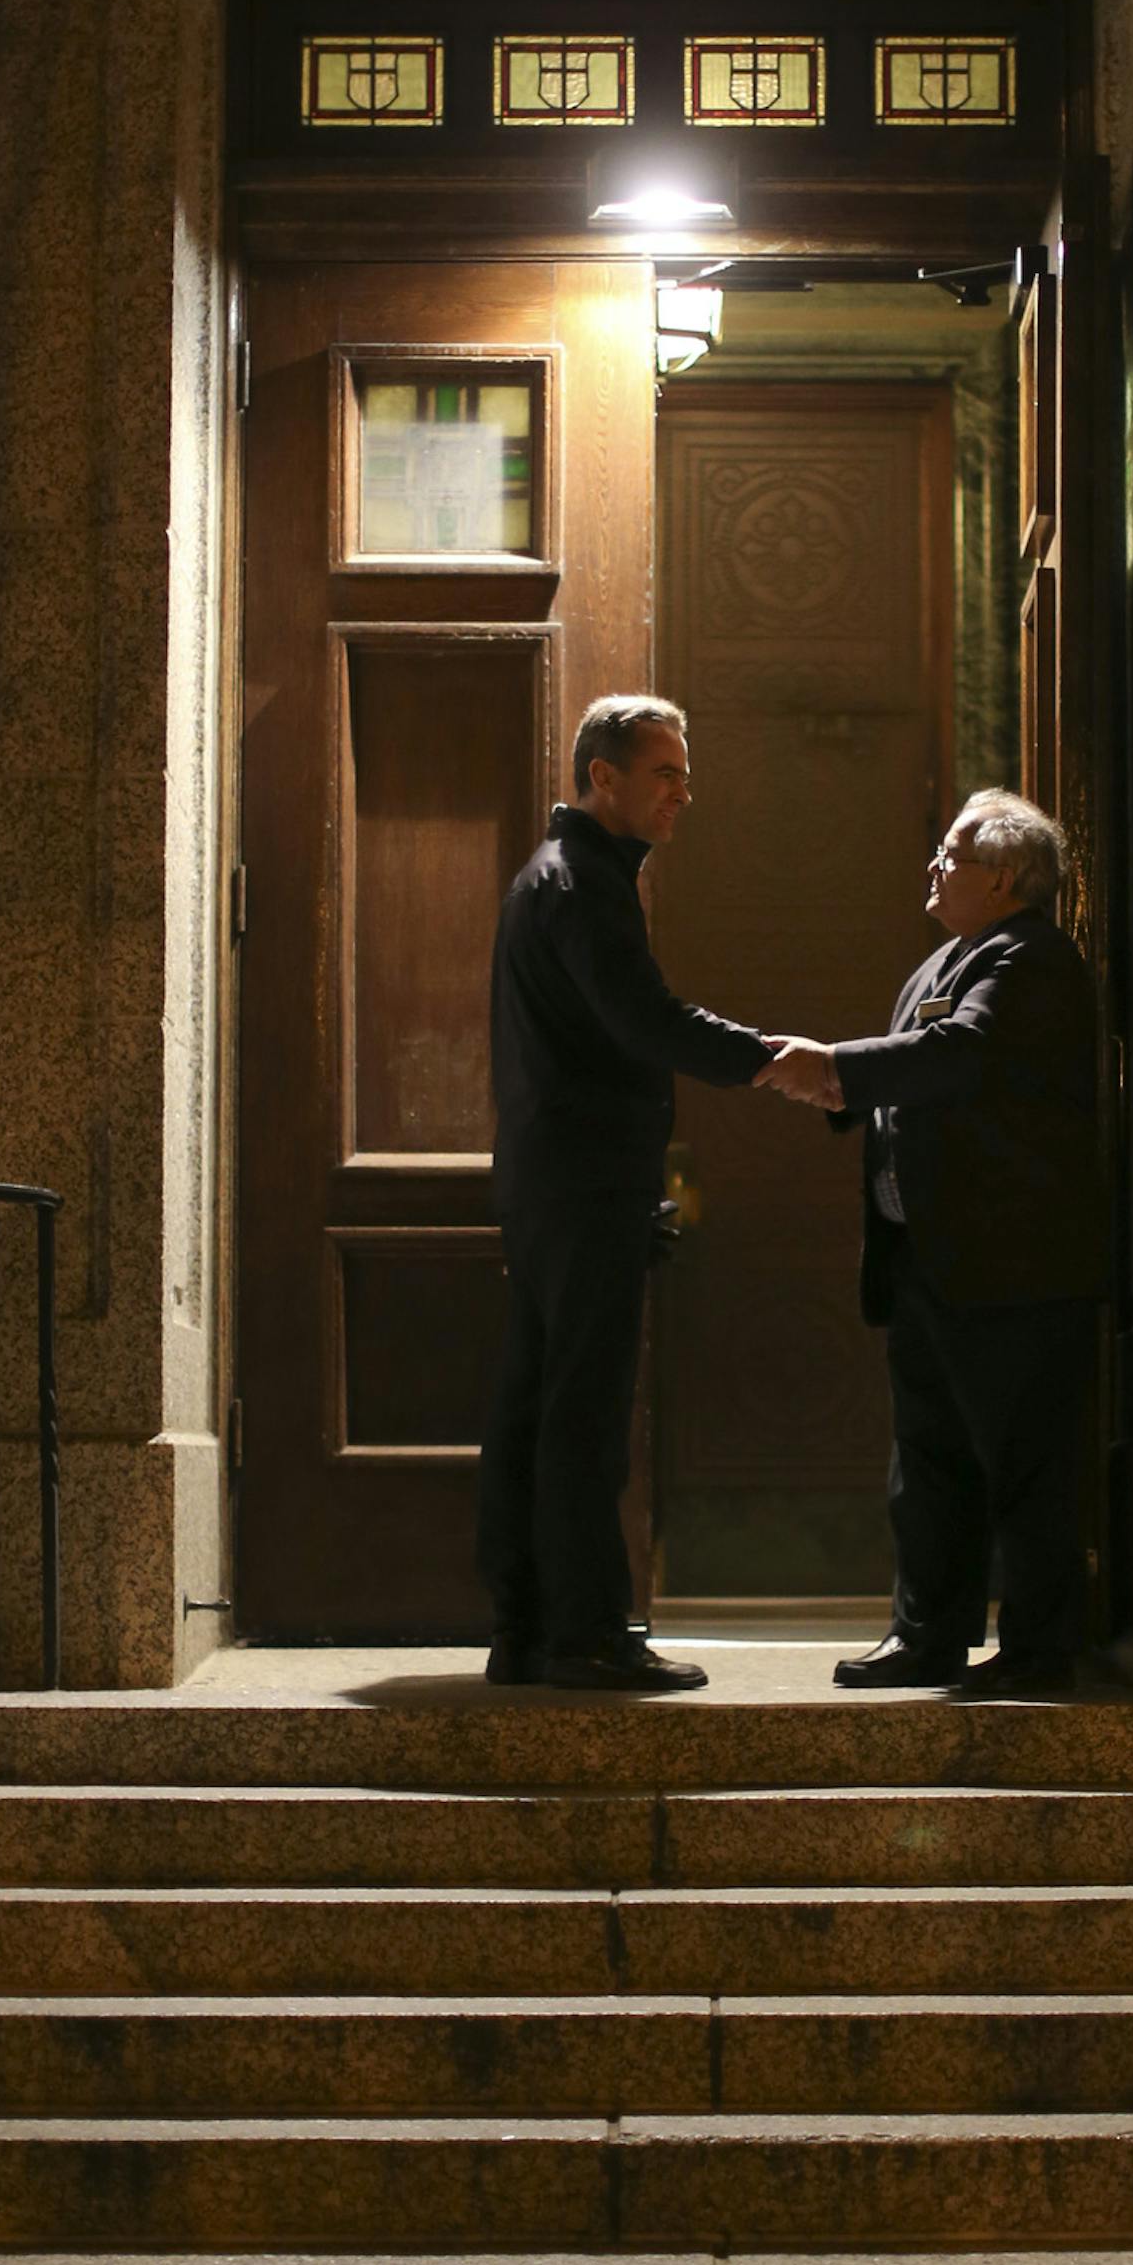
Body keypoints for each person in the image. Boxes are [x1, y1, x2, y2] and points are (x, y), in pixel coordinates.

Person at [759, 790, 1110, 1695]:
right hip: (928, 1261)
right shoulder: (947, 959)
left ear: (1001, 876)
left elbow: (962, 1054)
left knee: (1026, 1464)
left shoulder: (1032, 960)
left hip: (1010, 1266)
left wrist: (836, 1067)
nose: (933, 868)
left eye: (950, 856)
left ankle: (1039, 1650)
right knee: (928, 1462)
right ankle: (927, 1636)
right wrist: (844, 1095)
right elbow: (918, 1077)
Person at [480, 693, 771, 1693]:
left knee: (538, 1403)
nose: (684, 792)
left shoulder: (551, 879)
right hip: (585, 1182)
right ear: (603, 777)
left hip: (549, 1181)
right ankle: (586, 1634)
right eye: (666, 773)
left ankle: (526, 1628)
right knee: (582, 1416)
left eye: (686, 773)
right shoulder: (584, 886)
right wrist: (770, 1059)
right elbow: (643, 1019)